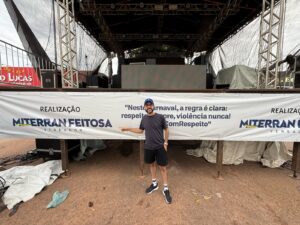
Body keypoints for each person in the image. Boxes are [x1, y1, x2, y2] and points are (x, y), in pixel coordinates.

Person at [121, 98, 172, 204]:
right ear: (144, 107)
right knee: (152, 165)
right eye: (147, 105)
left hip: (159, 147)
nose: (149, 107)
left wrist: (166, 143)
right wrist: (128, 129)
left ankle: (166, 189)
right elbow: (140, 130)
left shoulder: (160, 117)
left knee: (163, 167)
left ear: (153, 106)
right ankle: (154, 184)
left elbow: (166, 130)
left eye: (150, 105)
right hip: (149, 147)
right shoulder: (144, 118)